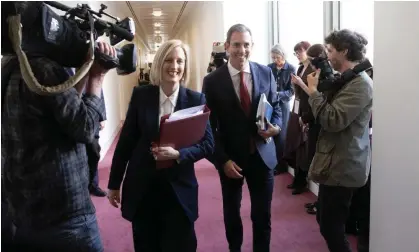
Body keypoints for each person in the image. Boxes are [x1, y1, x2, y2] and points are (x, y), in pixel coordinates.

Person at [1, 41, 114, 251]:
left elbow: (62, 114)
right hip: (63, 212)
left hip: (20, 210)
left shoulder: (6, 65)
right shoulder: (45, 69)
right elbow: (86, 128)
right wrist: (97, 77)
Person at [107, 39, 214, 252]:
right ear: (159, 63)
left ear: (185, 67)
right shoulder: (141, 95)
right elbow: (126, 141)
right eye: (168, 60)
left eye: (179, 61)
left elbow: (208, 144)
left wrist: (178, 154)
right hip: (144, 188)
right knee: (147, 245)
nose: (174, 66)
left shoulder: (195, 99)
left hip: (179, 190)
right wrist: (114, 183)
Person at [203, 24, 282, 252]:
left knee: (262, 216)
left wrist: (275, 127)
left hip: (262, 156)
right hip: (231, 161)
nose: (242, 50)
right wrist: (222, 160)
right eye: (236, 45)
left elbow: (276, 107)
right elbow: (208, 128)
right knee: (231, 215)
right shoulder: (212, 81)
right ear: (227, 47)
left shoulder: (266, 72)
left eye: (246, 45)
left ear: (252, 46)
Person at [293, 29, 372, 252]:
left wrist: (314, 93)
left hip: (343, 166)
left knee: (330, 227)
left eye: (329, 50)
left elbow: (333, 120)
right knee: (326, 223)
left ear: (344, 51)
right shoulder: (345, 81)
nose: (326, 55)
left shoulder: (360, 84)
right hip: (335, 163)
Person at [286, 41, 314, 195]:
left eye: (299, 51)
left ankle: (301, 181)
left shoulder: (312, 68)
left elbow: (311, 92)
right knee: (296, 145)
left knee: (303, 147)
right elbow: (297, 92)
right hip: (297, 109)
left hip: (307, 110)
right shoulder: (301, 67)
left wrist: (299, 82)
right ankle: (297, 179)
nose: (297, 54)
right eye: (295, 52)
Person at [267, 44, 296, 175]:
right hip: (270, 104)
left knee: (281, 135)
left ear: (283, 56)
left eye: (277, 57)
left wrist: (278, 95)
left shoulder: (291, 68)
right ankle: (271, 163)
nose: (275, 60)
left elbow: (292, 91)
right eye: (273, 58)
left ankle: (281, 165)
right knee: (270, 133)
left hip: (283, 105)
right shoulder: (269, 68)